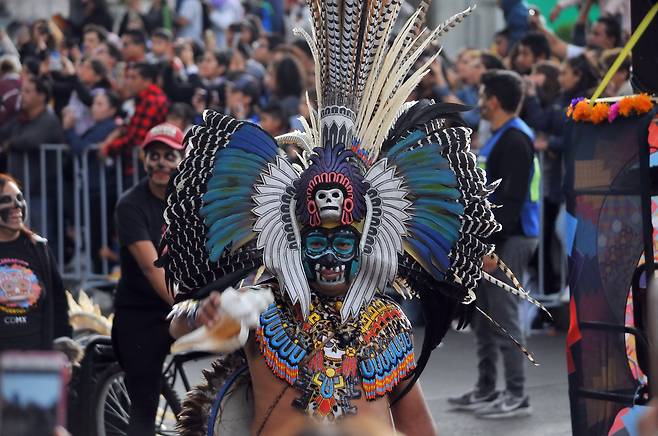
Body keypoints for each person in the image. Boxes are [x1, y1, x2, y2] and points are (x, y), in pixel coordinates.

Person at [162, 2, 537, 435]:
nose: (329, 258)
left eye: (343, 243)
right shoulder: (264, 313)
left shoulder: (387, 326)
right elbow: (175, 327)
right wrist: (203, 314)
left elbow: (418, 425)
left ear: (367, 244)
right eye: (316, 243)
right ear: (293, 241)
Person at [448, 70, 539, 418]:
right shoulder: (502, 135)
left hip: (509, 240)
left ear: (494, 101)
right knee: (485, 317)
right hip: (495, 240)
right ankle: (487, 389)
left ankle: (516, 394)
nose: (479, 101)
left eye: (482, 94)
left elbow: (511, 201)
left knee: (503, 317)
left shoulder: (515, 139)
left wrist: (489, 247)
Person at [111, 123, 185, 436]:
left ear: (183, 159)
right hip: (141, 316)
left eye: (169, 155)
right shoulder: (130, 205)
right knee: (143, 407)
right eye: (154, 155)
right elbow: (153, 269)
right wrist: (191, 308)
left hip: (178, 308)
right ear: (144, 160)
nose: (161, 163)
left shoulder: (189, 201)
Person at [0, 173, 71, 352]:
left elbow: (59, 304)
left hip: (38, 362)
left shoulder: (39, 248)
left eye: (19, 198)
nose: (17, 205)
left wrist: (62, 350)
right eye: (6, 200)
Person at [100, 62, 169, 175]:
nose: (128, 82)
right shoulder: (145, 99)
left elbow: (135, 139)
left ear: (147, 80)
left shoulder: (150, 100)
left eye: (133, 77)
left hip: (143, 167)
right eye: (128, 77)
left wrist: (108, 147)